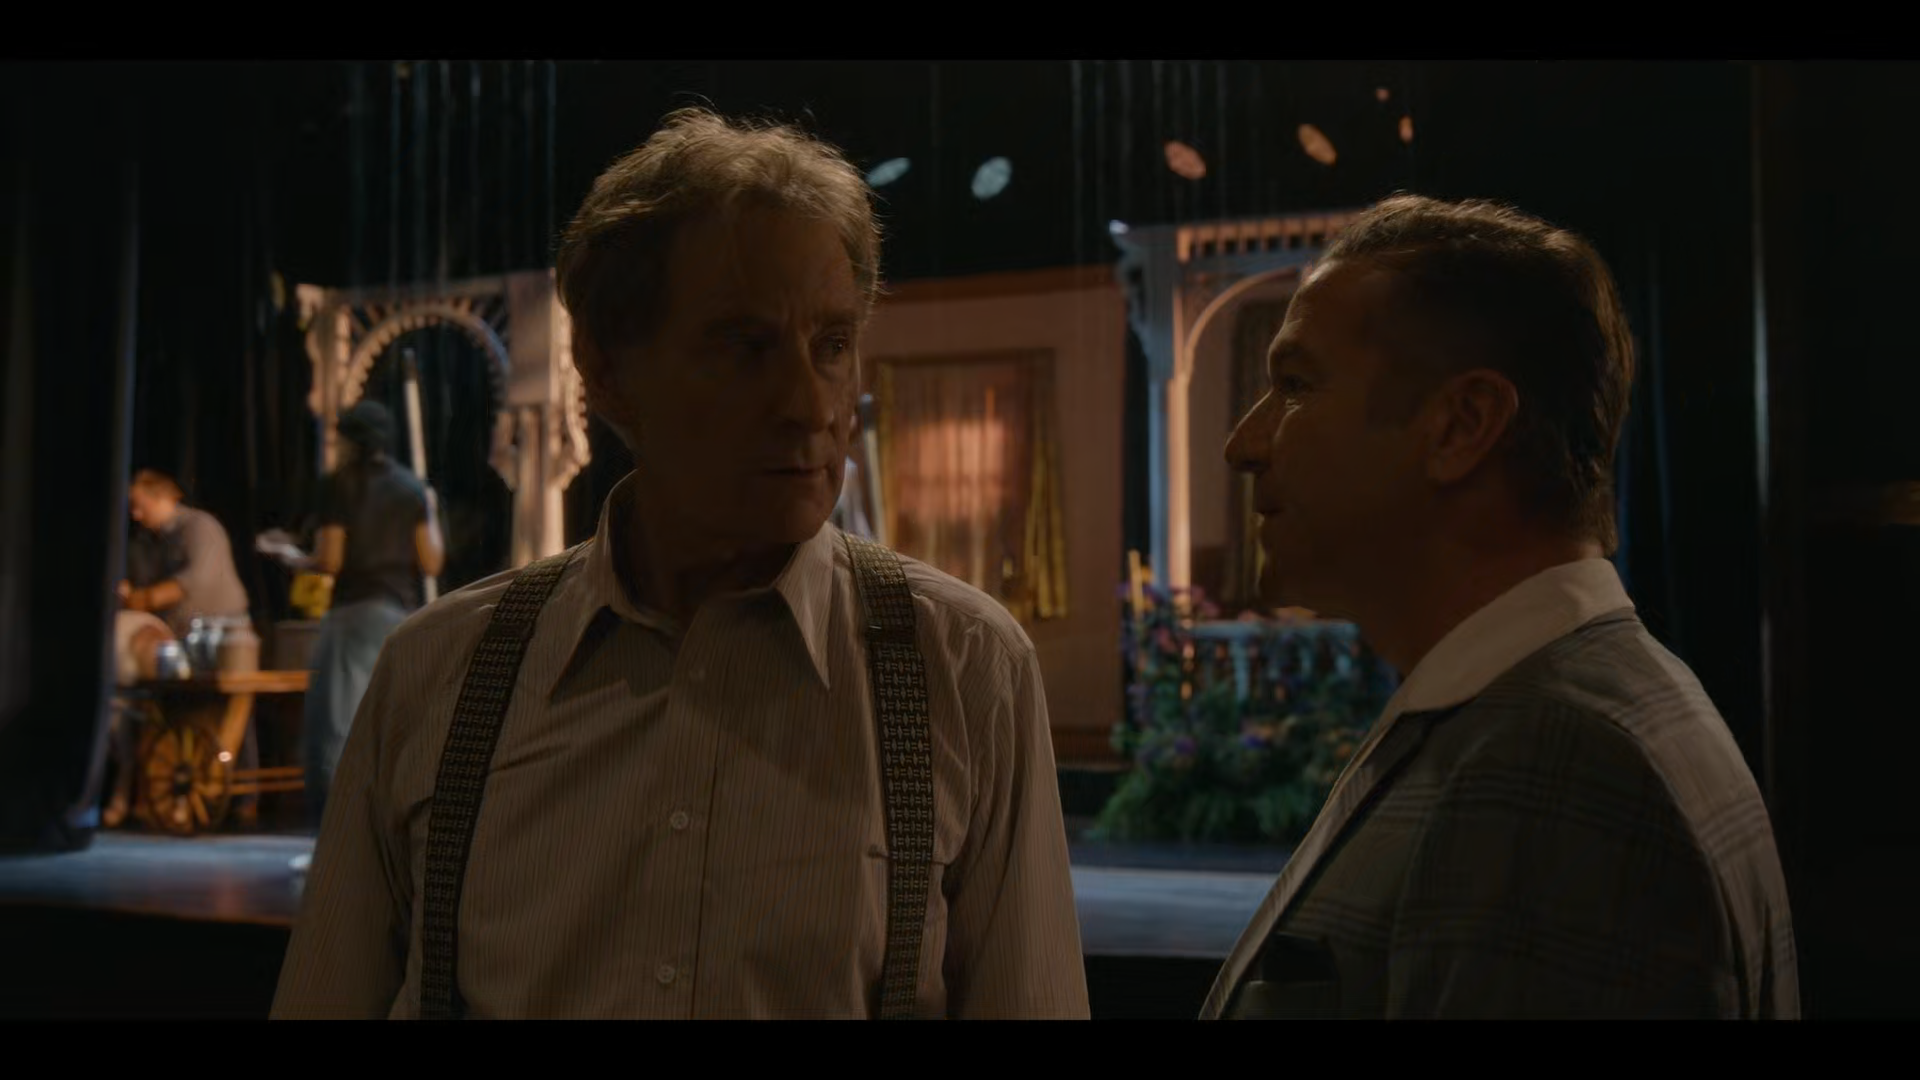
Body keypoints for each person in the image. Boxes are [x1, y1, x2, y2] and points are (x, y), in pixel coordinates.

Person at [271, 108, 1088, 1020]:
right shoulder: (438, 675)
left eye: (831, 344)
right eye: (744, 347)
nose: (809, 404)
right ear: (606, 370)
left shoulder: (963, 667)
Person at [1206, 194, 1798, 1019]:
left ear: (1463, 425)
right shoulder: (1559, 709)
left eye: (1296, 385)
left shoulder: (1563, 765)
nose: (1242, 444)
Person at [258, 400, 442, 826]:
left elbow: (331, 559)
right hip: (400, 616)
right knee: (390, 726)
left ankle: (334, 833)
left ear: (349, 441)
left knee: (334, 728)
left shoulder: (338, 485)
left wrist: (290, 555)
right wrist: (428, 508)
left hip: (355, 613)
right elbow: (431, 561)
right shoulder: (412, 488)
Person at [120, 469, 250, 639]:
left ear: (163, 498)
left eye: (140, 506)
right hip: (177, 633)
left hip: (223, 632)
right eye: (132, 508)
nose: (136, 515)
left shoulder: (199, 526)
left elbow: (196, 579)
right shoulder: (144, 541)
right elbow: (139, 582)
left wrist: (147, 598)